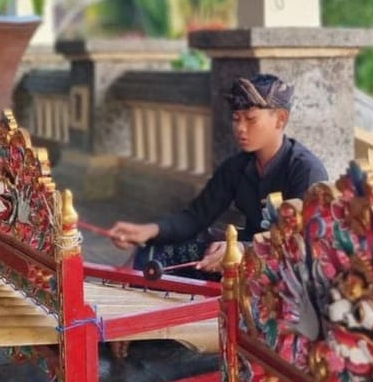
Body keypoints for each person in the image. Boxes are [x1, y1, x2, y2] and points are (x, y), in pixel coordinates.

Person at [108, 74, 327, 276]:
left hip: (289, 270)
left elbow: (303, 239)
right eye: (236, 118)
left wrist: (242, 248)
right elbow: (196, 217)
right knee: (153, 254)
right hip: (243, 256)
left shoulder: (305, 170)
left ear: (280, 119)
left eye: (250, 119)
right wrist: (148, 231)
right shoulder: (237, 167)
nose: (240, 127)